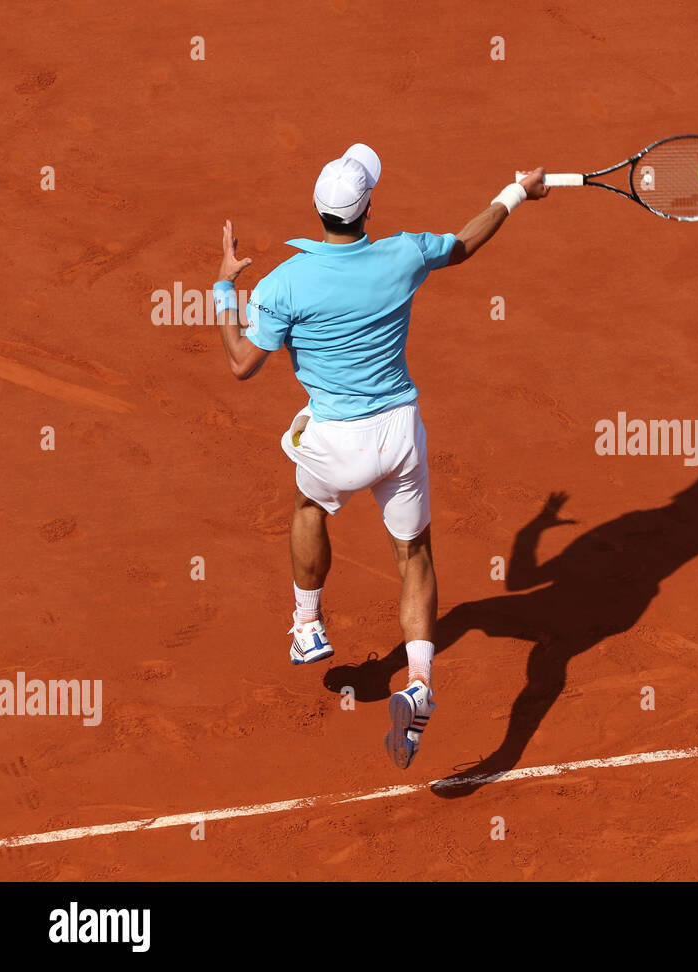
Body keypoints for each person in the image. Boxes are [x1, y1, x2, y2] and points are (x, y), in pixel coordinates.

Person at [211, 143, 548, 768]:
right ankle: (419, 685)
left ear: (317, 211)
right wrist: (517, 192)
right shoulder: (403, 254)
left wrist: (224, 287)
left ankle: (309, 624)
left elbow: (240, 365)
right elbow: (466, 242)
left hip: (335, 442)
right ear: (368, 208)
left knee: (308, 507)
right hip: (398, 434)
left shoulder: (282, 283)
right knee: (414, 554)